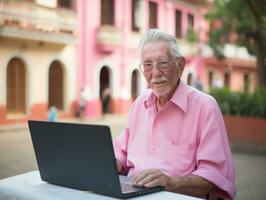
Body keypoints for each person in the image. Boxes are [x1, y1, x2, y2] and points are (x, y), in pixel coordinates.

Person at [113, 29, 235, 200]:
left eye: (162, 63)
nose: (155, 73)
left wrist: (170, 182)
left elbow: (215, 175)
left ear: (180, 65)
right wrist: (112, 164)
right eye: (147, 65)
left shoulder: (205, 107)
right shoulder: (140, 103)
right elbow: (122, 152)